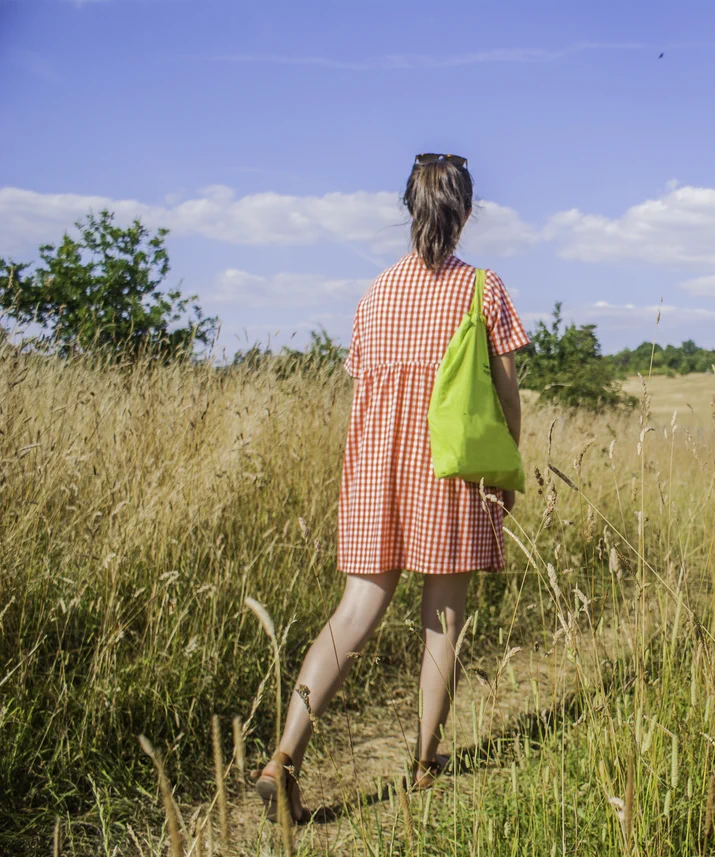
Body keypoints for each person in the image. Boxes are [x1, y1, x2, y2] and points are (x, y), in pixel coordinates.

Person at [253, 152, 530, 824]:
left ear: (410, 210)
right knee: (442, 621)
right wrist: (507, 463)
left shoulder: (374, 292)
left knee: (353, 615)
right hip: (448, 470)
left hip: (376, 471)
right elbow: (506, 391)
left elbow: (367, 393)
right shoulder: (481, 289)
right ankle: (424, 764)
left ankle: (284, 753)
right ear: (465, 212)